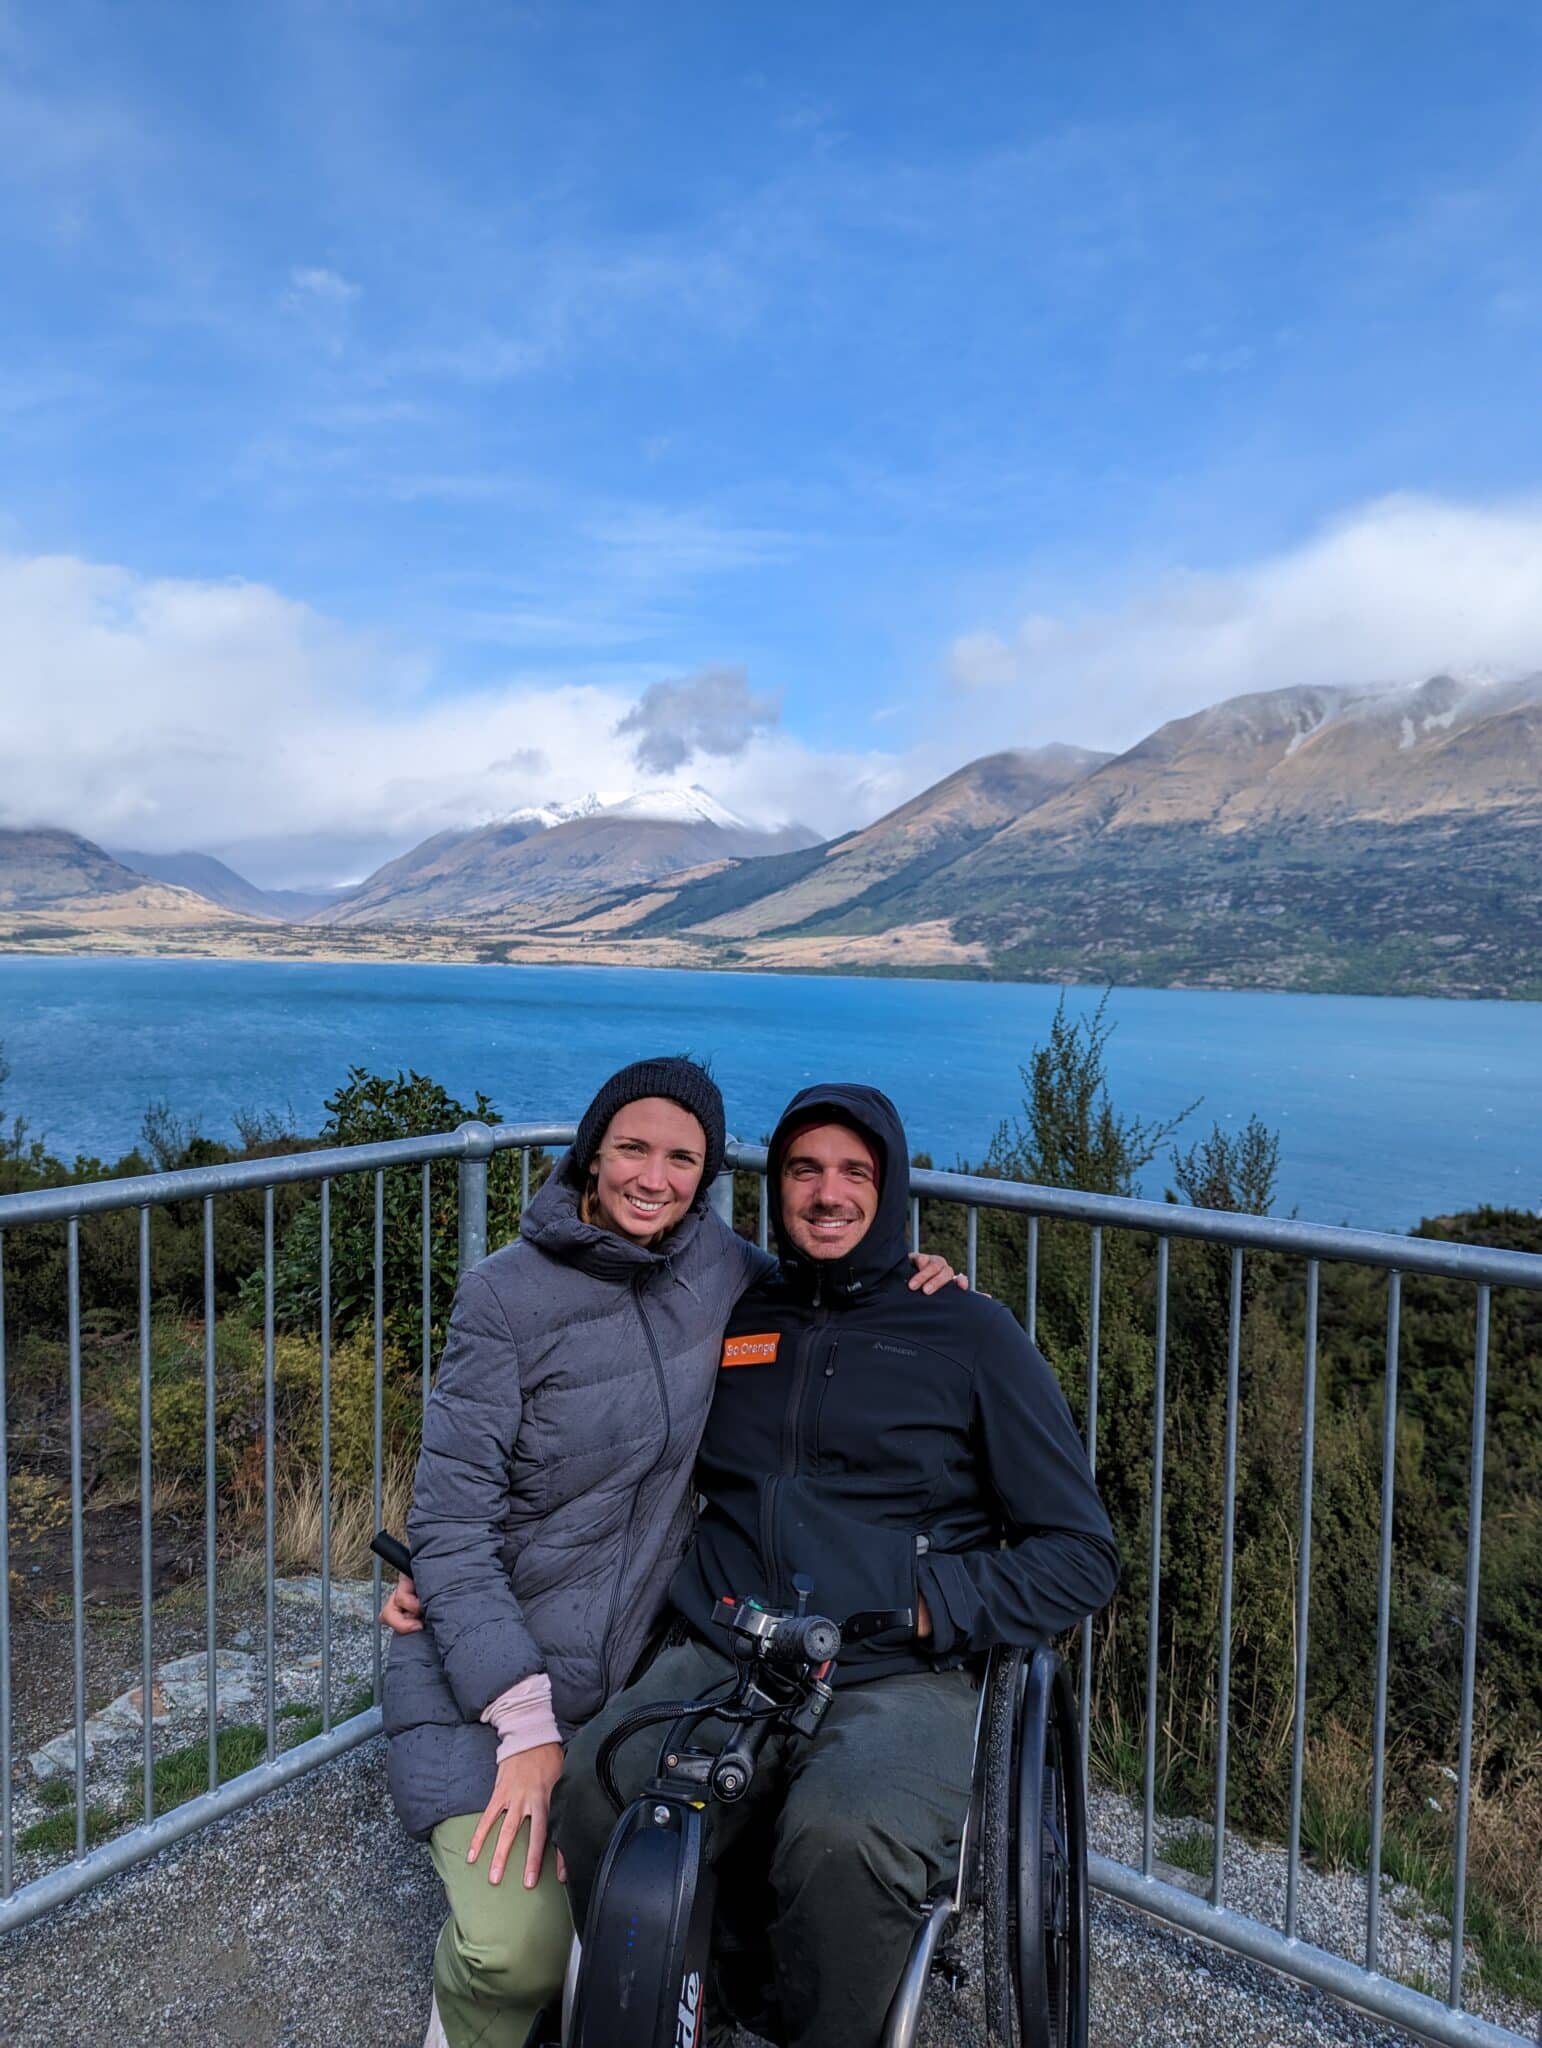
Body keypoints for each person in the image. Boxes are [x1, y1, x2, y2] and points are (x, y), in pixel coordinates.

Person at [380, 1059, 962, 2048]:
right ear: (592, 1153)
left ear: (706, 1174)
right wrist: (522, 1727)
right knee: (515, 1949)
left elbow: (827, 1280)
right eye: (634, 1147)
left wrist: (924, 1279)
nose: (655, 1175)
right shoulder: (503, 1298)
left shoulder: (716, 1270)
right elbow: (450, 1526)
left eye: (682, 1155)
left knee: (638, 1881)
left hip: (631, 1668)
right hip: (497, 1672)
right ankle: (464, 2019)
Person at [553, 1082, 1119, 2048]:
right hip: (729, 1647)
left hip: (898, 1669)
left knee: (844, 1840)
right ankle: (702, 2006)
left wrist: (933, 1605)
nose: (827, 1194)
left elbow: (1081, 1556)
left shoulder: (971, 1336)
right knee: (600, 1788)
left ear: (891, 1189)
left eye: (855, 1173)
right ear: (775, 1188)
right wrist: (446, 1561)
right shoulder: (735, 1308)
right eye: (804, 1170)